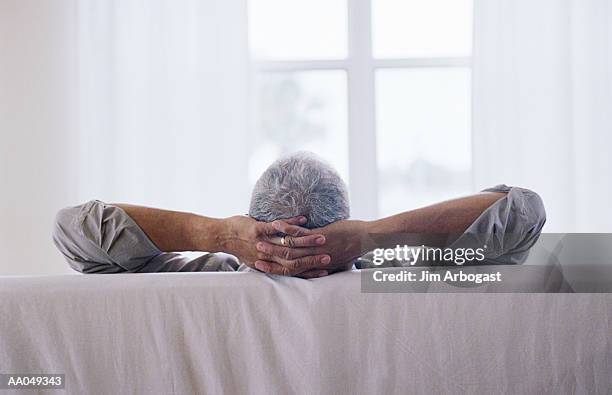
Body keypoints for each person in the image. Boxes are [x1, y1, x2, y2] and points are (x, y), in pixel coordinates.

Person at [53, 152, 546, 278]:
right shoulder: (394, 272)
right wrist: (370, 239)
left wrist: (221, 236)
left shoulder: (206, 273)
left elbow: (76, 232)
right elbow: (521, 215)